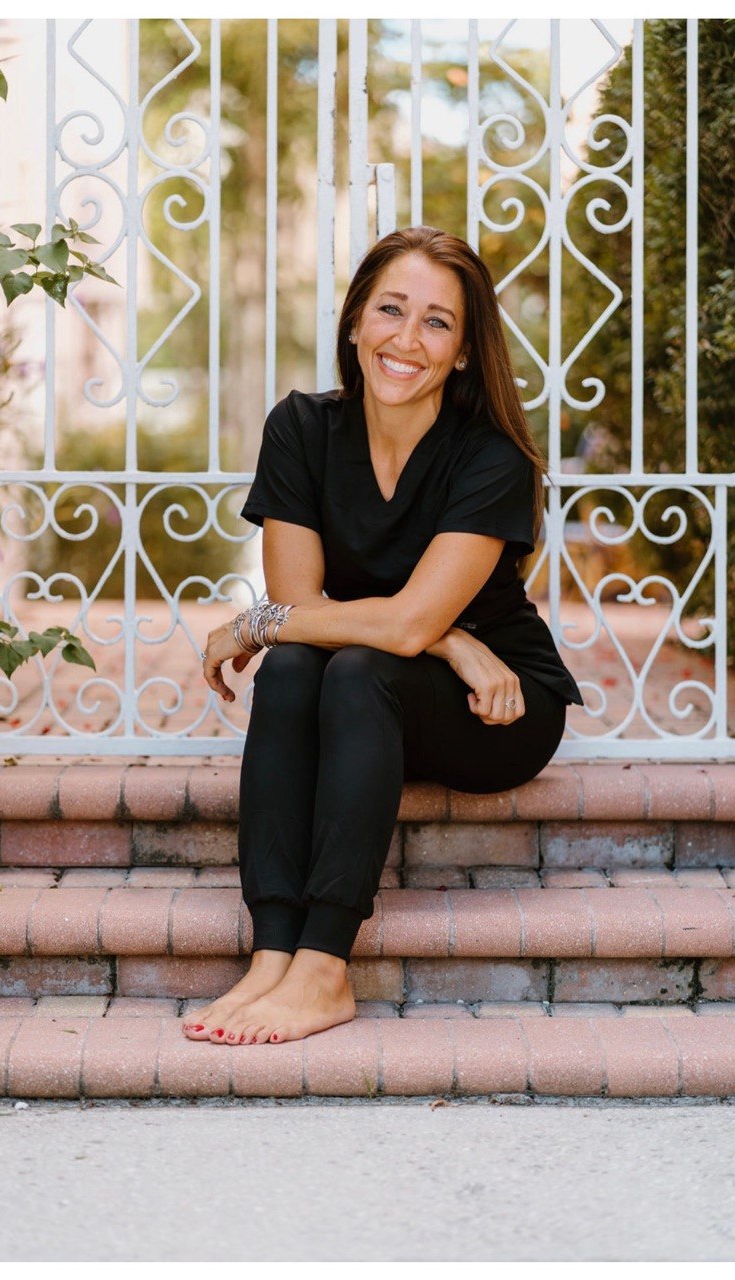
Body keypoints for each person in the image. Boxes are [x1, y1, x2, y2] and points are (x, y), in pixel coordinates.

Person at [184, 226, 583, 1048]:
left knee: (355, 662)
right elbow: (300, 607)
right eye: (391, 310)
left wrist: (424, 638)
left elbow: (371, 621)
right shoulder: (301, 428)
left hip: (496, 707)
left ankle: (325, 968)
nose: (408, 339)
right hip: (404, 674)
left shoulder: (491, 459)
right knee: (296, 667)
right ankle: (272, 954)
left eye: (438, 323)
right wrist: (447, 639)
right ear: (356, 323)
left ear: (467, 352)